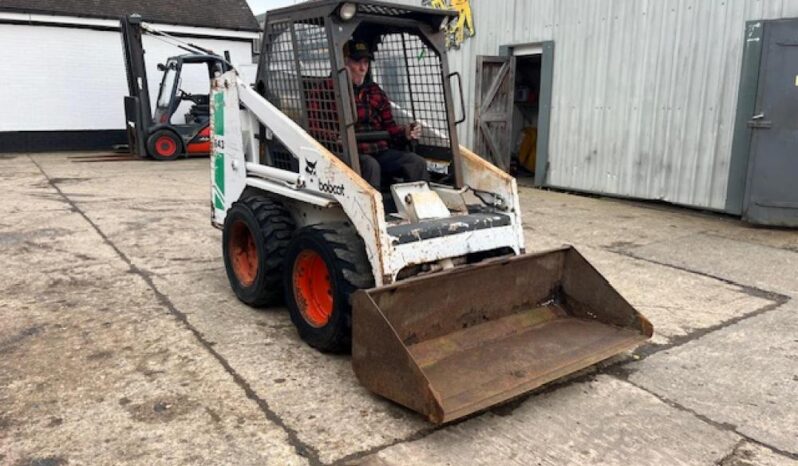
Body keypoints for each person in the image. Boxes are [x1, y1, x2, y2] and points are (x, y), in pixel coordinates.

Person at [308, 40, 430, 189]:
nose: (362, 68)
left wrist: (406, 132)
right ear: (344, 62)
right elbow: (312, 128)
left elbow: (389, 127)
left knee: (415, 162)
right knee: (370, 165)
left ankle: (421, 209)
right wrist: (334, 137)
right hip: (345, 153)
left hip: (378, 149)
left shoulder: (375, 92)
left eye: (366, 62)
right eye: (357, 62)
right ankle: (372, 211)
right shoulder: (325, 90)